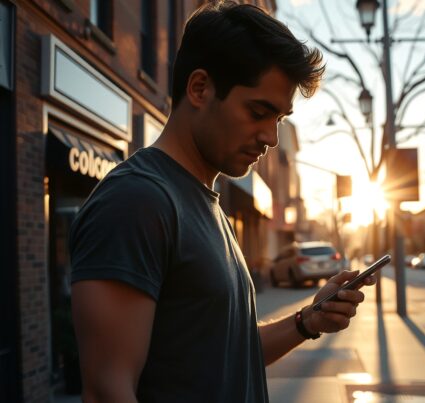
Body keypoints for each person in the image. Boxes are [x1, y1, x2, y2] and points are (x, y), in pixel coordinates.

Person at [69, 2, 376, 402]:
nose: (271, 138)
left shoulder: (207, 205)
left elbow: (230, 355)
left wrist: (307, 320)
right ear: (199, 88)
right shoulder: (136, 202)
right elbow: (108, 390)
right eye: (259, 112)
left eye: (279, 119)